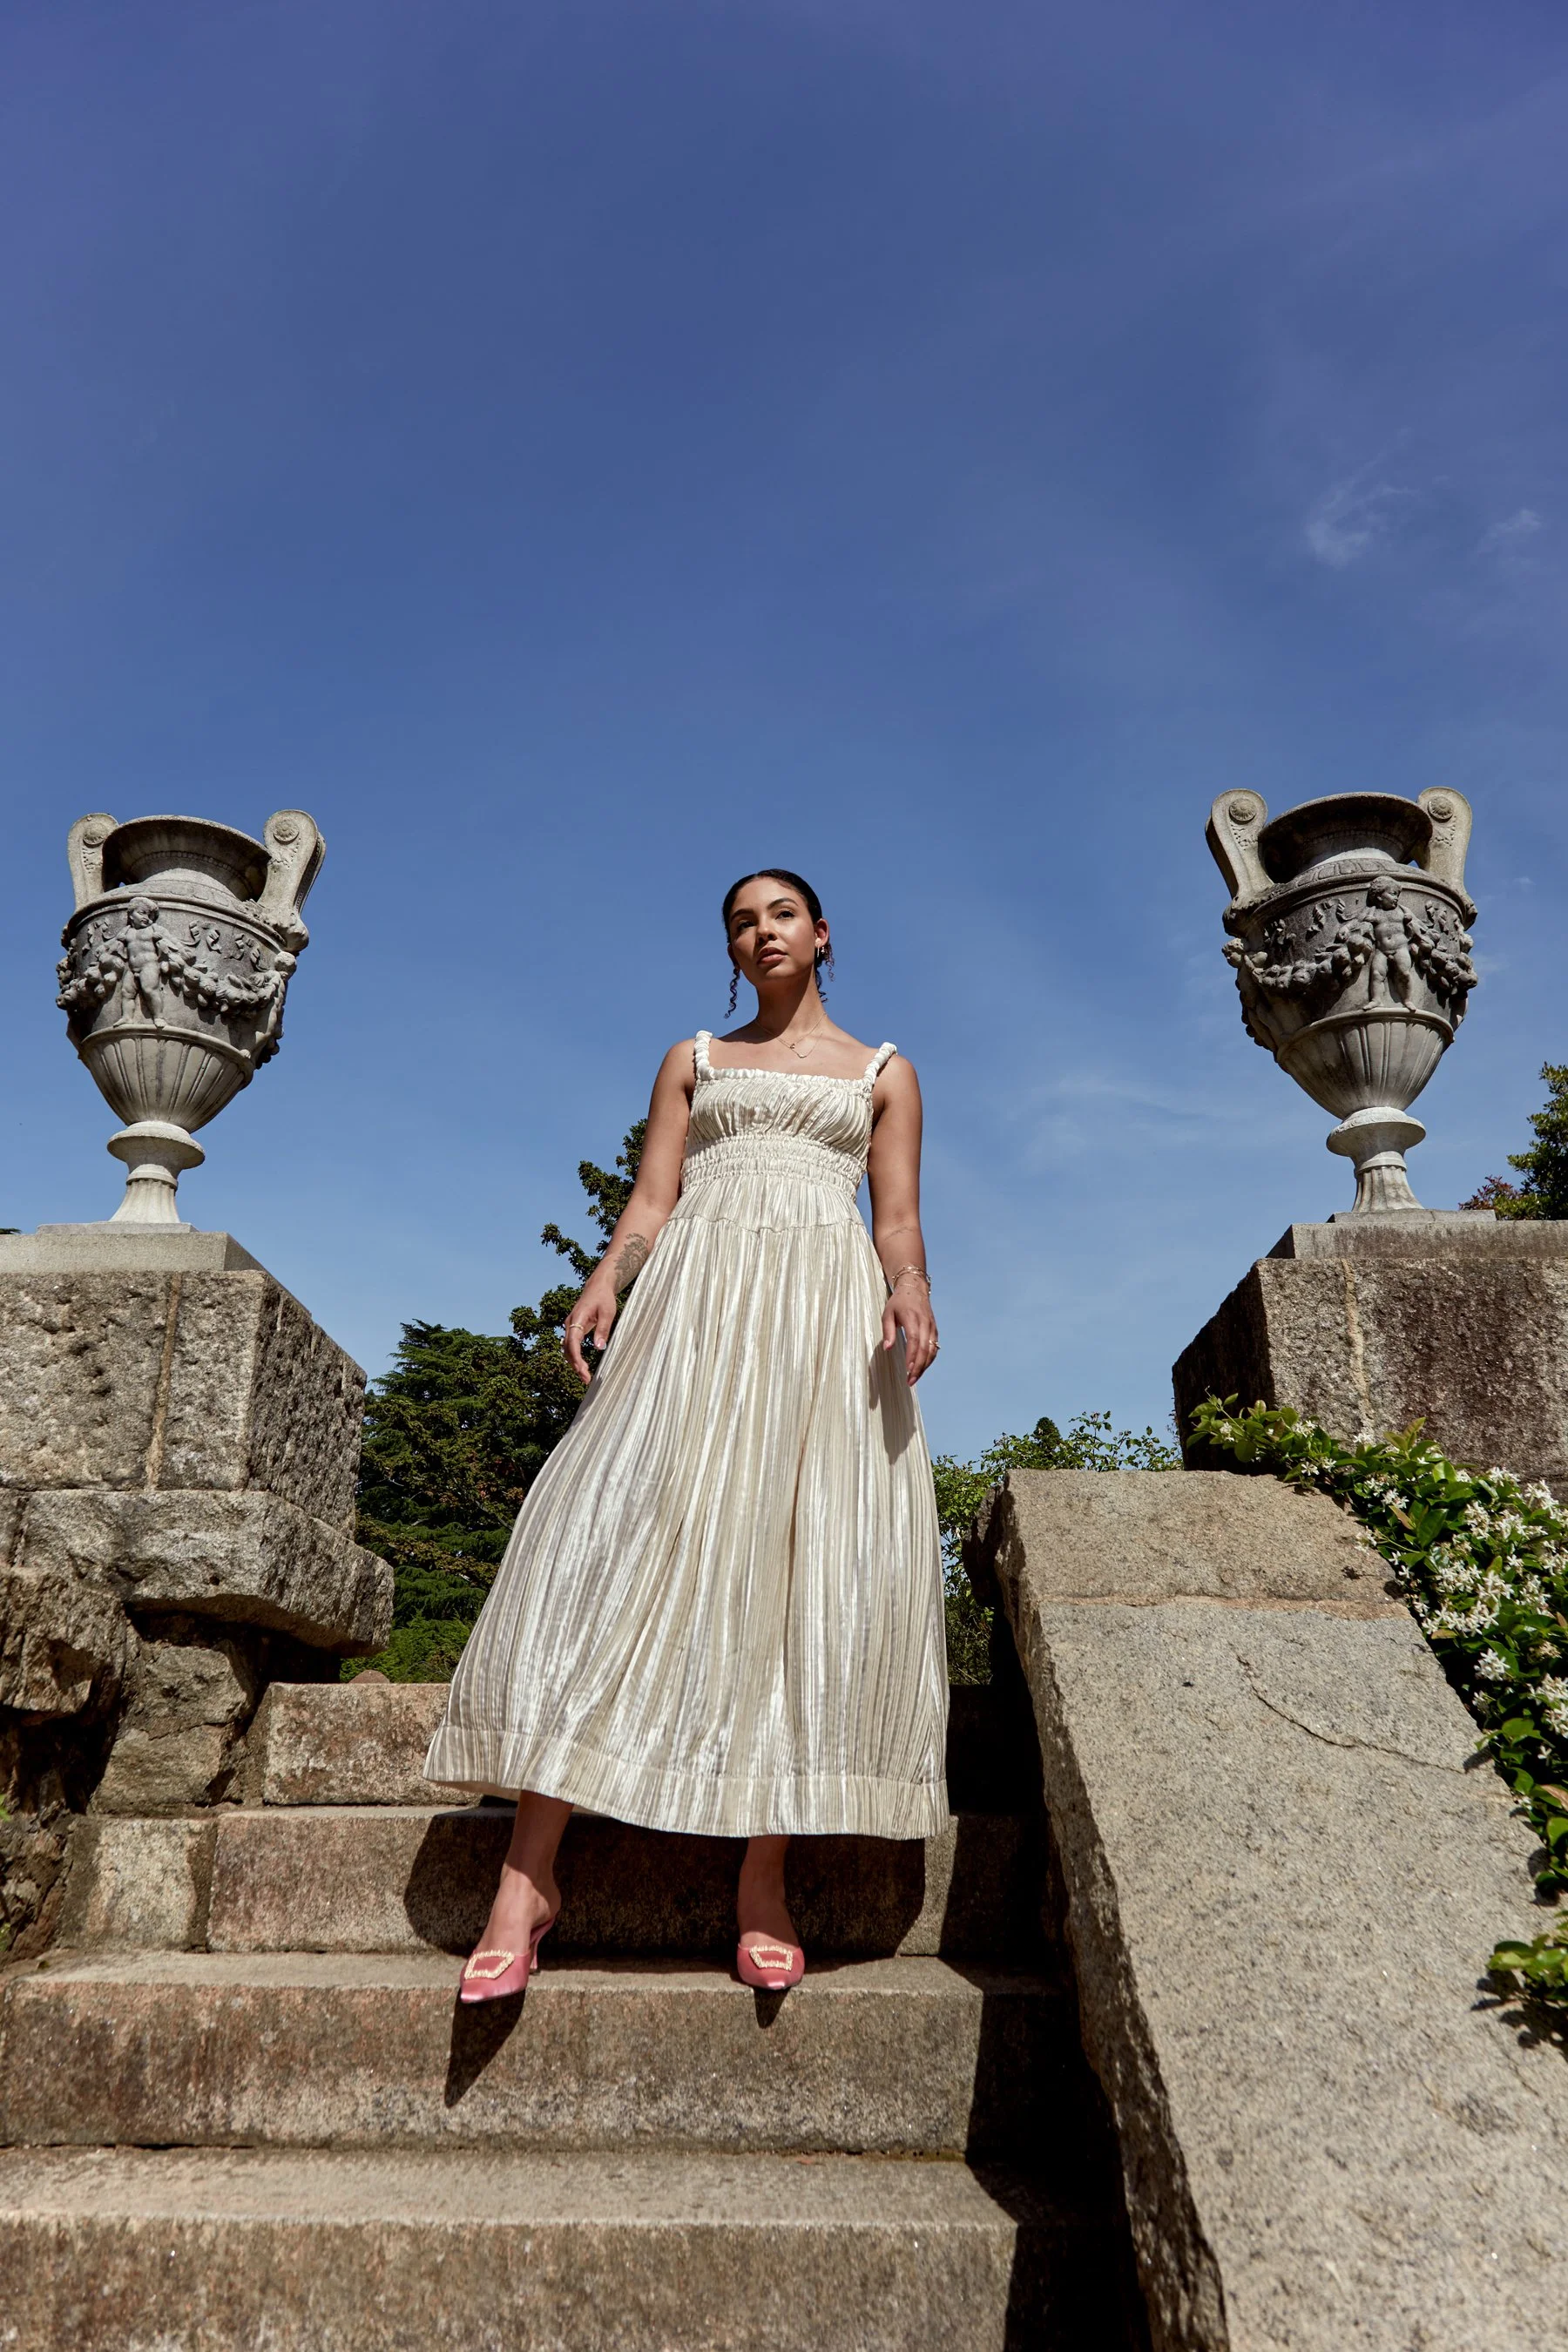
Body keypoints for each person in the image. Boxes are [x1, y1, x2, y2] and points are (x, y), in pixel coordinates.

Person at [424, 868, 948, 1997]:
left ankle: (763, 1880)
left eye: (782, 916)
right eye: (742, 923)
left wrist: (910, 1287)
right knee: (602, 1537)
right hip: (695, 1310)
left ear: (821, 933)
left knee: (796, 1575)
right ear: (732, 948)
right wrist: (605, 1280)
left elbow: (897, 1218)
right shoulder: (694, 1060)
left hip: (821, 1321)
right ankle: (526, 1881)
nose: (763, 933)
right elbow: (653, 1199)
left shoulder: (884, 1072)